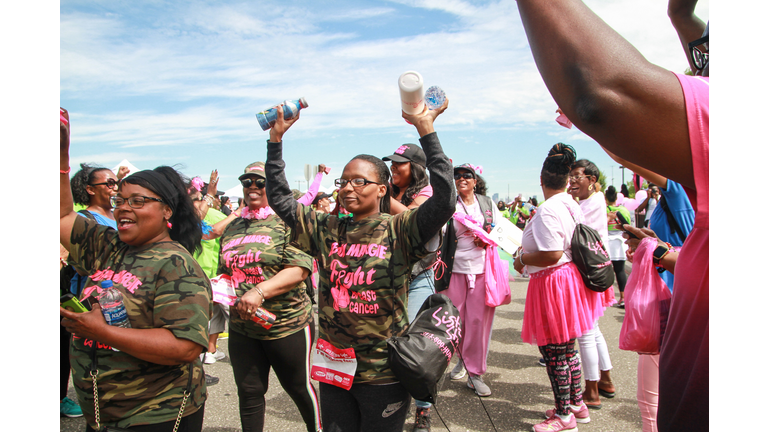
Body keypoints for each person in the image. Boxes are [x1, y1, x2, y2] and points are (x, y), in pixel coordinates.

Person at [515, 0, 708, 428]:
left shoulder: (678, 184)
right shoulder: (677, 183)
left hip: (669, 302)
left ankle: (579, 399)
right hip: (668, 299)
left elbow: (602, 98)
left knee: (581, 348)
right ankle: (591, 390)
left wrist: (659, 255)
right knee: (593, 345)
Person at [265, 100, 453, 432]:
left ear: (382, 189)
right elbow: (280, 199)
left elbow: (444, 202)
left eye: (360, 181)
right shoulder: (326, 227)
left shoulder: (400, 229)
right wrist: (275, 142)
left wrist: (426, 129)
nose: (348, 187)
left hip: (383, 374)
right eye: (343, 181)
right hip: (334, 368)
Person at [59, 108, 212, 431]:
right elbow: (61, 218)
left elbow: (184, 346)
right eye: (120, 200)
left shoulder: (176, 264)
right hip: (103, 413)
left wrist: (102, 332)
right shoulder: (109, 246)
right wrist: (60, 158)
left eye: (138, 201)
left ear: (166, 210)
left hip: (156, 414)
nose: (124, 207)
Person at [217, 161, 320, 432]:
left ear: (272, 186)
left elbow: (299, 269)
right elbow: (224, 270)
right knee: (249, 391)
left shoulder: (290, 220)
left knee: (298, 387)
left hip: (286, 324)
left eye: (260, 182)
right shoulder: (233, 226)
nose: (252, 187)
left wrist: (259, 291)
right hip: (243, 326)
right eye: (247, 181)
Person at [513, 143, 606, 431]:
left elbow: (551, 253)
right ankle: (575, 405)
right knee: (567, 350)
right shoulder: (570, 203)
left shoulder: (548, 209)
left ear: (541, 181)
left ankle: (563, 416)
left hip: (554, 283)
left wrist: (521, 258)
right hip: (569, 281)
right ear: (567, 180)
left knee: (554, 352)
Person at [382, 142, 439, 431]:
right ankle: (391, 402)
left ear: (415, 168)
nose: (392, 168)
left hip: (418, 279)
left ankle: (424, 410)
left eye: (398, 164)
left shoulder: (427, 193)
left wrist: (379, 190)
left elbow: (410, 218)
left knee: (416, 343)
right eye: (390, 164)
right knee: (389, 341)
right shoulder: (389, 191)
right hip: (391, 277)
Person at [435, 163, 502, 398]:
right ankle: (452, 364)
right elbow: (439, 232)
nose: (461, 179)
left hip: (481, 271)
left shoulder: (487, 204)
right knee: (451, 322)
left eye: (467, 176)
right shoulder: (449, 204)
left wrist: (488, 240)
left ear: (475, 181)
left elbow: (499, 231)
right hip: (454, 271)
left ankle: (475, 373)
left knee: (477, 324)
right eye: (457, 176)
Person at [567, 159, 617, 409]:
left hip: (588, 272)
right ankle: (606, 379)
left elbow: (571, 229)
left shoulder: (592, 202)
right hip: (595, 271)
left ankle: (591, 390)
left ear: (592, 181)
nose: (572, 181)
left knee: (585, 332)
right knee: (594, 330)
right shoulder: (590, 201)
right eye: (571, 176)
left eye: (578, 176)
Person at [603, 186, 631, 307]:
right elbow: (628, 226)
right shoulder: (624, 210)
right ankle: (623, 297)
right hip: (620, 243)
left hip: (607, 243)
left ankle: (606, 298)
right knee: (620, 270)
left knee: (605, 271)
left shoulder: (604, 210)